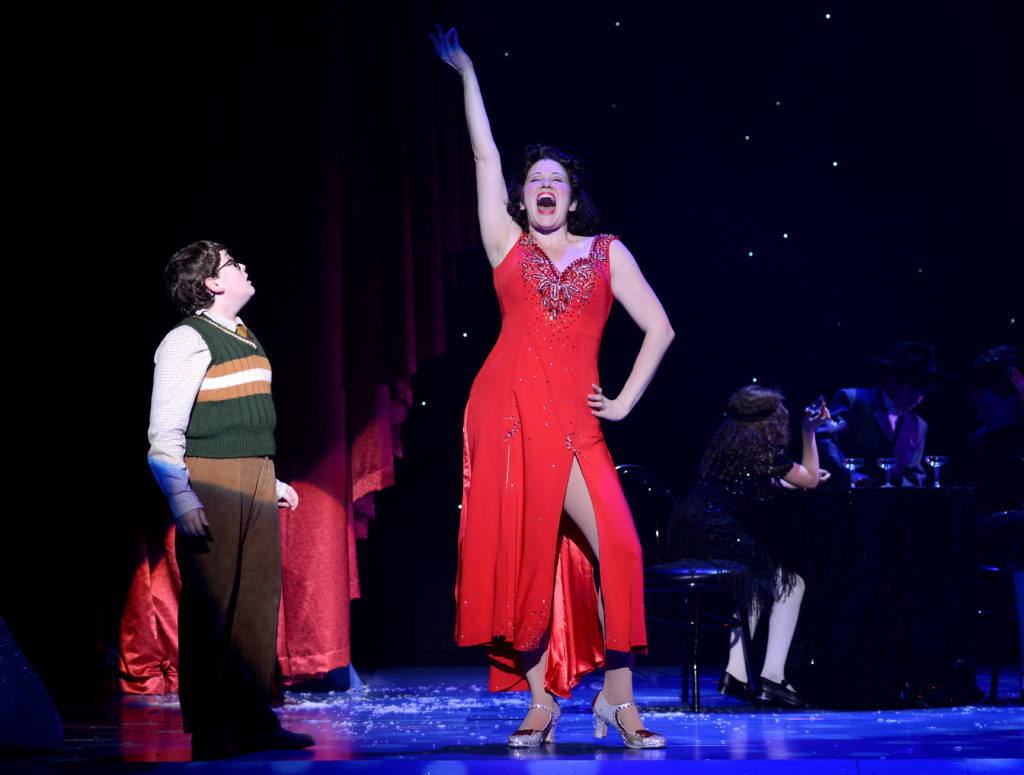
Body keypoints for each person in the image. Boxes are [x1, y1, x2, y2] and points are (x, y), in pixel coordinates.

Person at [432, 27, 675, 748]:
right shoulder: (505, 246)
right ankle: (541, 702)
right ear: (524, 197)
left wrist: (626, 400)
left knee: (623, 549)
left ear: (572, 200)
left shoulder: (607, 253)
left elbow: (659, 328)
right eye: (533, 180)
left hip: (577, 421)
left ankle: (618, 699)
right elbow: (484, 154)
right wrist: (468, 74)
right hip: (505, 417)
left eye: (555, 182)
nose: (542, 188)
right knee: (525, 559)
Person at [147, 240, 314, 760]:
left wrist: (270, 479)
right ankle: (210, 729)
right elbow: (163, 435)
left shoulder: (242, 336)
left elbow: (244, 417)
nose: (244, 267)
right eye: (232, 264)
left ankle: (253, 721)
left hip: (256, 479)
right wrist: (183, 499)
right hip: (211, 482)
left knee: (257, 606)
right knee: (210, 610)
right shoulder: (187, 340)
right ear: (214, 283)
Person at [667, 385, 831, 707]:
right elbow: (810, 479)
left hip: (687, 526)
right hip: (717, 530)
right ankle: (772, 676)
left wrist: (788, 479)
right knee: (791, 584)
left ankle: (736, 673)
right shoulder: (764, 453)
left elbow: (751, 482)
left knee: (753, 585)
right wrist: (808, 431)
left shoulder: (726, 447)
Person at [818, 342, 947, 487]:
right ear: (892, 381)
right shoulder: (854, 401)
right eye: (912, 391)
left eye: (923, 394)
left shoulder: (918, 425)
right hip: (847, 497)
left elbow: (914, 473)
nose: (917, 399)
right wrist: (849, 475)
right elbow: (824, 438)